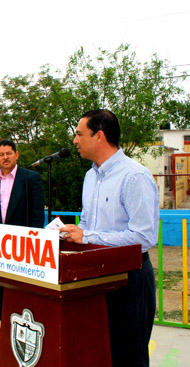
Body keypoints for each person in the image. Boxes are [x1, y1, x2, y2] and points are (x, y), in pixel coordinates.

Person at [60, 109, 159, 367]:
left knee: (129, 357)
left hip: (129, 279)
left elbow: (144, 237)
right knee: (101, 353)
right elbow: (87, 224)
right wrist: (72, 233)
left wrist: (88, 236)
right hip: (95, 278)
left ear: (100, 136)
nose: (75, 140)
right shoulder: (90, 176)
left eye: (80, 134)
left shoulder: (134, 176)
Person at [0, 139, 45, 342]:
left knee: (23, 289)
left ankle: (25, 330)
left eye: (9, 153)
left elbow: (37, 215)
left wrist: (33, 241)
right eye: (1, 154)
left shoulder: (30, 178)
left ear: (16, 155)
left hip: (23, 246)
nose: (5, 157)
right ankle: (4, 326)